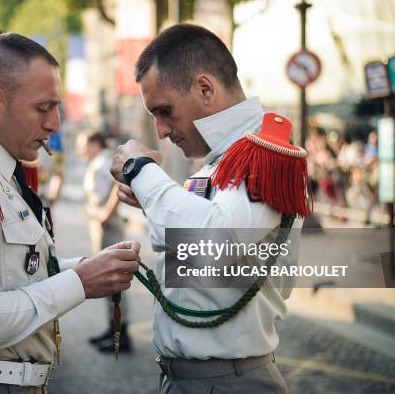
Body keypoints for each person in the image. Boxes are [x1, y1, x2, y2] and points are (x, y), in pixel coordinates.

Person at [0, 33, 139, 394]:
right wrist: (79, 282)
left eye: (57, 107)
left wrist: (89, 268)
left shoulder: (5, 172)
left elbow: (18, 277)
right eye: (43, 107)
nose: (55, 124)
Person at [110, 24, 307, 394]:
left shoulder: (263, 154)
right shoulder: (226, 158)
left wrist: (142, 171)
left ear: (205, 89)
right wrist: (153, 197)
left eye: (164, 111)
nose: (162, 131)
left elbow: (215, 245)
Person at [76, 130, 132, 353]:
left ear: (95, 143)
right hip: (100, 227)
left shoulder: (107, 161)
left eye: (84, 146)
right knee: (107, 282)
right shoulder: (97, 161)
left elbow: (119, 186)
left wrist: (107, 213)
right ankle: (112, 331)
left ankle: (121, 337)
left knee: (115, 281)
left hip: (108, 226)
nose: (81, 151)